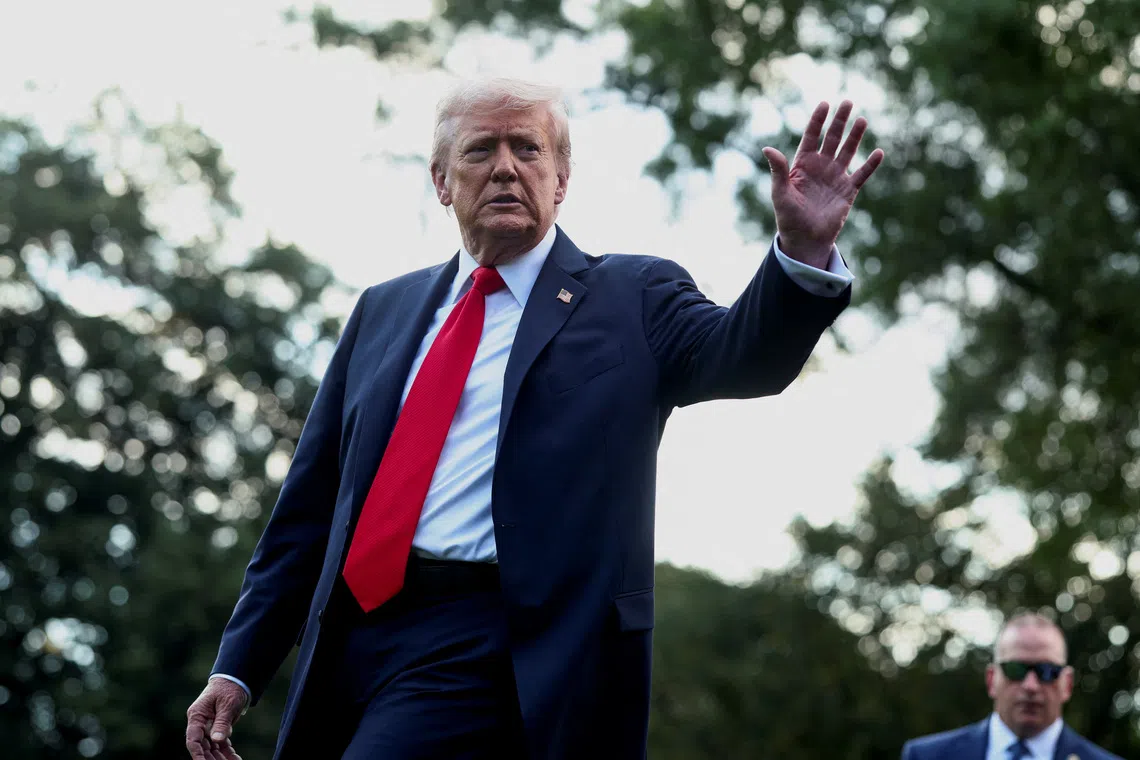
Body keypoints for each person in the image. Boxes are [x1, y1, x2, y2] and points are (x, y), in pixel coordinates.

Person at [185, 76, 883, 760]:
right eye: (481, 150)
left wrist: (801, 254)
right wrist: (238, 665)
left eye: (528, 149)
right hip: (348, 640)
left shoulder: (631, 296)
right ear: (440, 180)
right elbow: (308, 511)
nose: (506, 169)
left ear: (562, 180)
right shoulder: (383, 310)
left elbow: (746, 358)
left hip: (500, 639)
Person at [901, 613, 1123, 760]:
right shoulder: (926, 756)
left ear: (1067, 684)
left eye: (1047, 672)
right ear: (991, 680)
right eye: (1015, 670)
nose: (1030, 686)